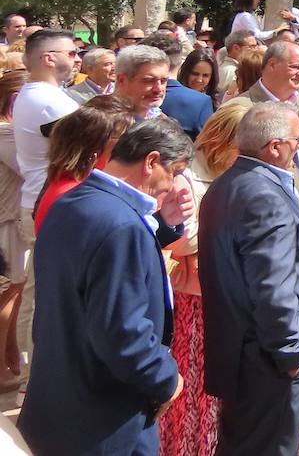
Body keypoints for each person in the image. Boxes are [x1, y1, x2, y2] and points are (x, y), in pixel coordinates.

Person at [18, 118, 192, 456]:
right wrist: (167, 377)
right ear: (151, 162)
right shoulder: (121, 226)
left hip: (62, 401)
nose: (172, 186)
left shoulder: (73, 203)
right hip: (107, 417)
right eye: (173, 172)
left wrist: (164, 225)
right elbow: (123, 332)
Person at [199, 102, 299, 456]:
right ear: (275, 147)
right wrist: (292, 356)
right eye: (297, 141)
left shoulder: (228, 184)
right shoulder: (263, 196)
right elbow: (272, 288)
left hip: (246, 357)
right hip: (268, 362)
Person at [160, 104, 248, 456]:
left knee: (213, 396)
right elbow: (182, 237)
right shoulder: (187, 179)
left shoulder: (229, 174)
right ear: (221, 140)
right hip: (194, 303)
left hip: (222, 299)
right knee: (192, 394)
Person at [11, 29, 79, 386]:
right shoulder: (45, 99)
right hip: (48, 205)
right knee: (42, 296)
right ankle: (34, 379)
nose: (77, 57)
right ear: (48, 57)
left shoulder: (46, 95)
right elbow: (95, 137)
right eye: (71, 51)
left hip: (48, 202)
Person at [217, 39, 299, 237]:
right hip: (266, 222)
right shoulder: (239, 109)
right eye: (296, 66)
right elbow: (220, 167)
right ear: (271, 65)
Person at [33, 96, 138, 232]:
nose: (128, 147)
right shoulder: (76, 196)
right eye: (123, 139)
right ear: (93, 146)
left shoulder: (70, 185)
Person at [0, 71, 26, 390]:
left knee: (13, 291)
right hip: (6, 220)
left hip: (10, 217)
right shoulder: (6, 132)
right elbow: (27, 166)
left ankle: (10, 357)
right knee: (8, 292)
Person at [156, 36, 214, 138]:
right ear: (185, 71)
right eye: (195, 74)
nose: (199, 80)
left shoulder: (211, 100)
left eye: (205, 75)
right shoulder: (201, 101)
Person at [215, 30, 258, 101]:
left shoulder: (224, 68)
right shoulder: (233, 72)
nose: (256, 50)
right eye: (252, 47)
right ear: (236, 48)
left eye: (256, 46)